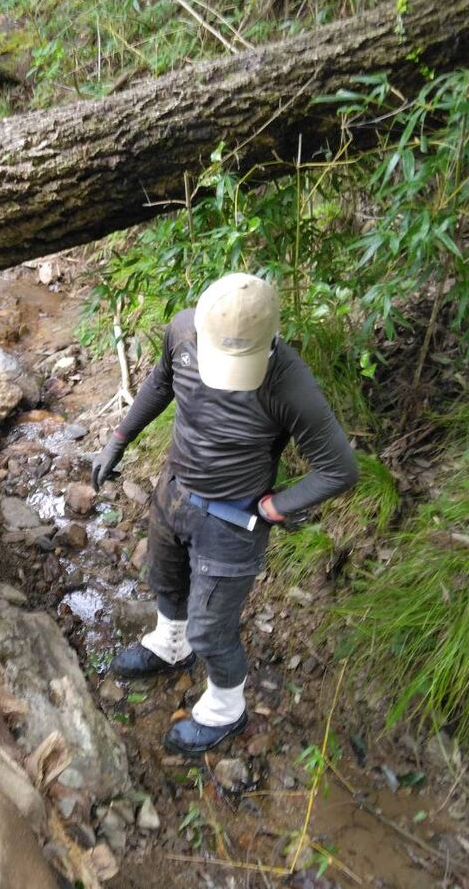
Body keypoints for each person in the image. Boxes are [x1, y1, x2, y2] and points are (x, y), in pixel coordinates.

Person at [90, 273, 359, 755]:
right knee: (165, 579)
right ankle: (171, 646)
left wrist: (278, 506)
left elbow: (339, 469)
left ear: (271, 337)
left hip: (232, 521)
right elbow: (160, 383)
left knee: (211, 631)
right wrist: (119, 439)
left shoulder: (289, 382)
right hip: (174, 489)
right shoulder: (183, 331)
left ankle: (225, 710)